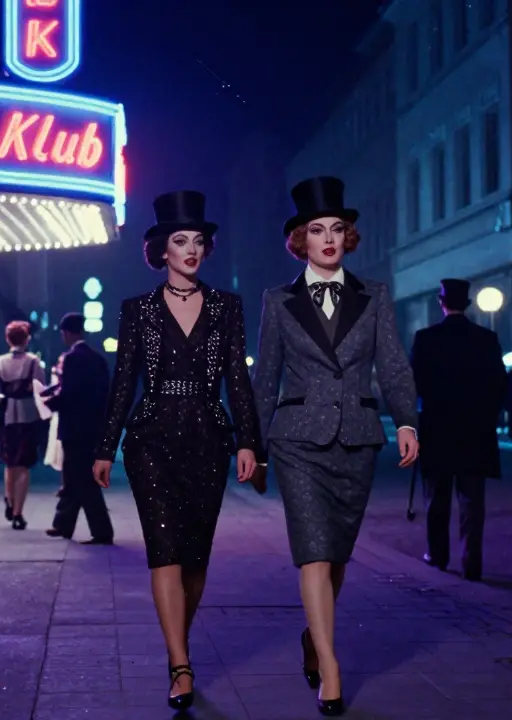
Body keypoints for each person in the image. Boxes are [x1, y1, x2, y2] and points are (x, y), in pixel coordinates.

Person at [251, 176, 419, 716]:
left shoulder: (375, 296)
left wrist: (408, 422)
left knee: (338, 553)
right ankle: (330, 666)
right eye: (317, 230)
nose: (328, 238)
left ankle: (312, 634)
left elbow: (393, 363)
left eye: (337, 229)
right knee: (315, 551)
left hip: (359, 437)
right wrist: (253, 444)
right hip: (297, 441)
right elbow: (266, 376)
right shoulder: (278, 301)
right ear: (300, 240)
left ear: (348, 237)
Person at [92, 190, 261, 711]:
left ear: (206, 249)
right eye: (179, 240)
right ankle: (180, 662)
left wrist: (249, 441)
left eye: (197, 241)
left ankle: (176, 642)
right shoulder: (137, 310)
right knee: (164, 549)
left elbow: (238, 379)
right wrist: (106, 447)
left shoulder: (227, 307)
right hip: (151, 439)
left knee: (195, 556)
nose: (190, 249)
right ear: (161, 250)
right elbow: (123, 382)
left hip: (209, 438)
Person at [410, 279, 506, 581]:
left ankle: (437, 555)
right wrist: (487, 414)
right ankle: (471, 561)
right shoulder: (486, 338)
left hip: (437, 427)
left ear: (441, 302)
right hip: (475, 429)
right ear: (468, 304)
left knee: (436, 497)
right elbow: (499, 383)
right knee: (472, 500)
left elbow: (415, 383)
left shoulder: (426, 338)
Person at [43, 312, 114, 544]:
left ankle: (102, 530)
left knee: (82, 478)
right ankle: (63, 523)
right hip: (93, 426)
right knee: (74, 476)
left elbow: (70, 393)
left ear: (66, 333)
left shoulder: (72, 358)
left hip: (75, 427)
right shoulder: (98, 359)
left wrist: (48, 404)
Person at [0, 320, 47, 529]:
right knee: (24, 465)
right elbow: (41, 390)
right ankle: (18, 512)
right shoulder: (33, 362)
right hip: (28, 417)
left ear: (7, 339)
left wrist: (2, 401)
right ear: (27, 339)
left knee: (10, 462)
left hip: (7, 418)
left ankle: (9, 499)